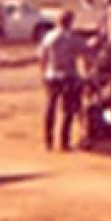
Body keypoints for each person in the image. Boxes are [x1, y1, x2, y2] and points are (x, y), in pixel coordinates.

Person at [37, 10, 93, 151]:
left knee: (50, 108)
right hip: (68, 76)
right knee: (68, 110)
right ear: (70, 22)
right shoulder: (72, 38)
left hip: (51, 76)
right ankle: (64, 142)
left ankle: (48, 141)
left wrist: (43, 73)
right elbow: (87, 52)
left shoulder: (48, 37)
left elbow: (42, 57)